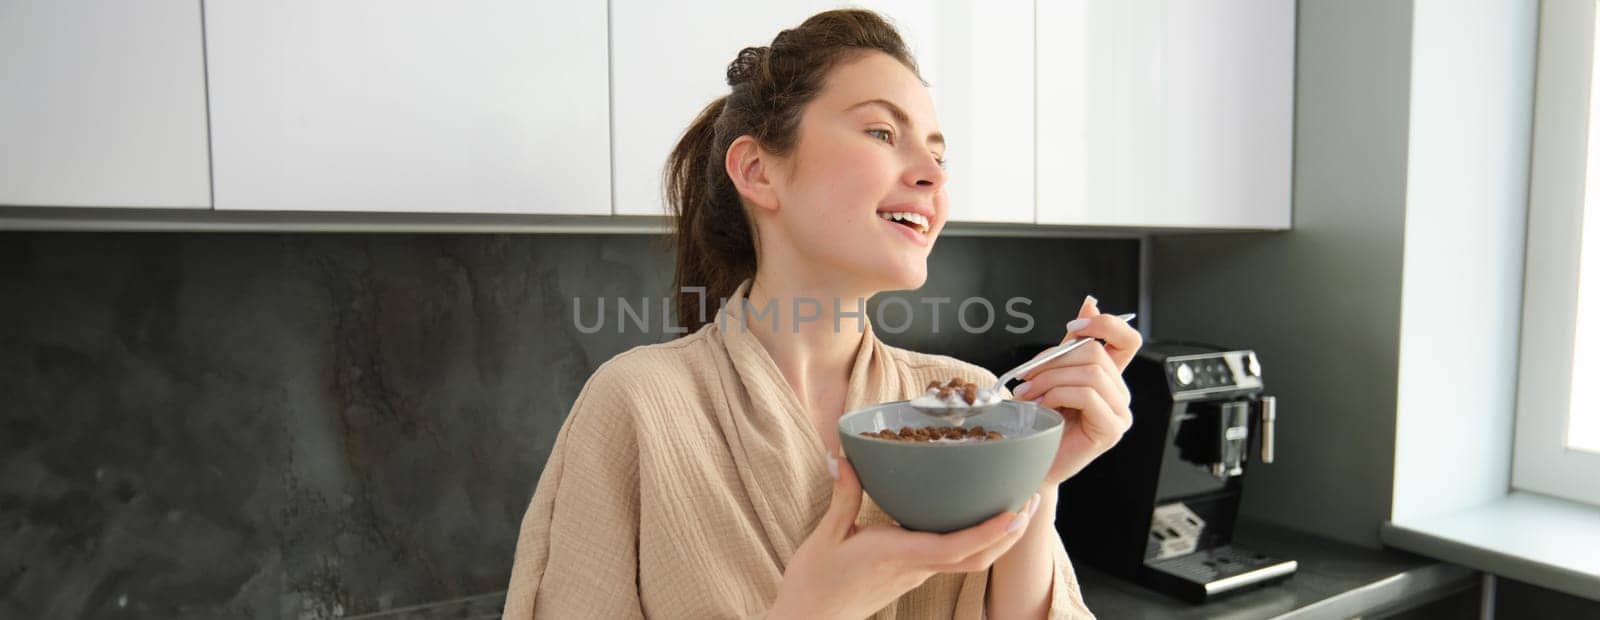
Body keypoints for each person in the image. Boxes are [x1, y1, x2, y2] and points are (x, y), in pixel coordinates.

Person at [503, 9, 1140, 619]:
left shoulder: (972, 403)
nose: (932, 177)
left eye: (940, 157)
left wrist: (1030, 475)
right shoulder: (636, 406)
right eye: (883, 133)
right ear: (758, 170)